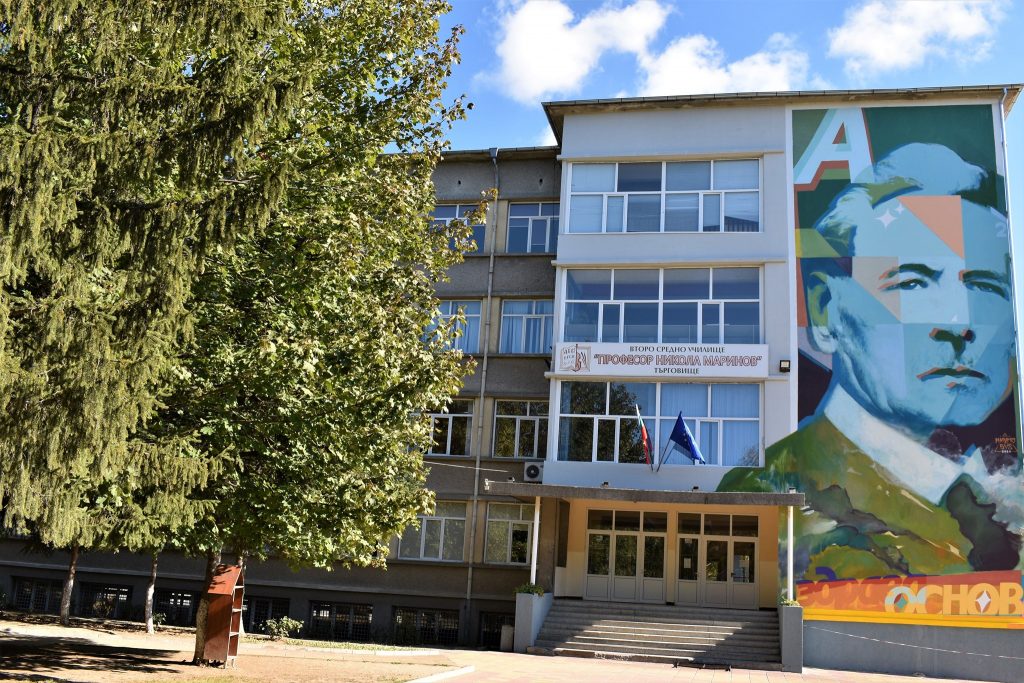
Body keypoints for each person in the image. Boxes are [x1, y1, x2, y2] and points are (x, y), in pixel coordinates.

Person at [720, 143, 1022, 580]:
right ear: (826, 311)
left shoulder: (998, 488)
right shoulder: (771, 494)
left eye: (985, 285)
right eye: (912, 283)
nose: (959, 324)